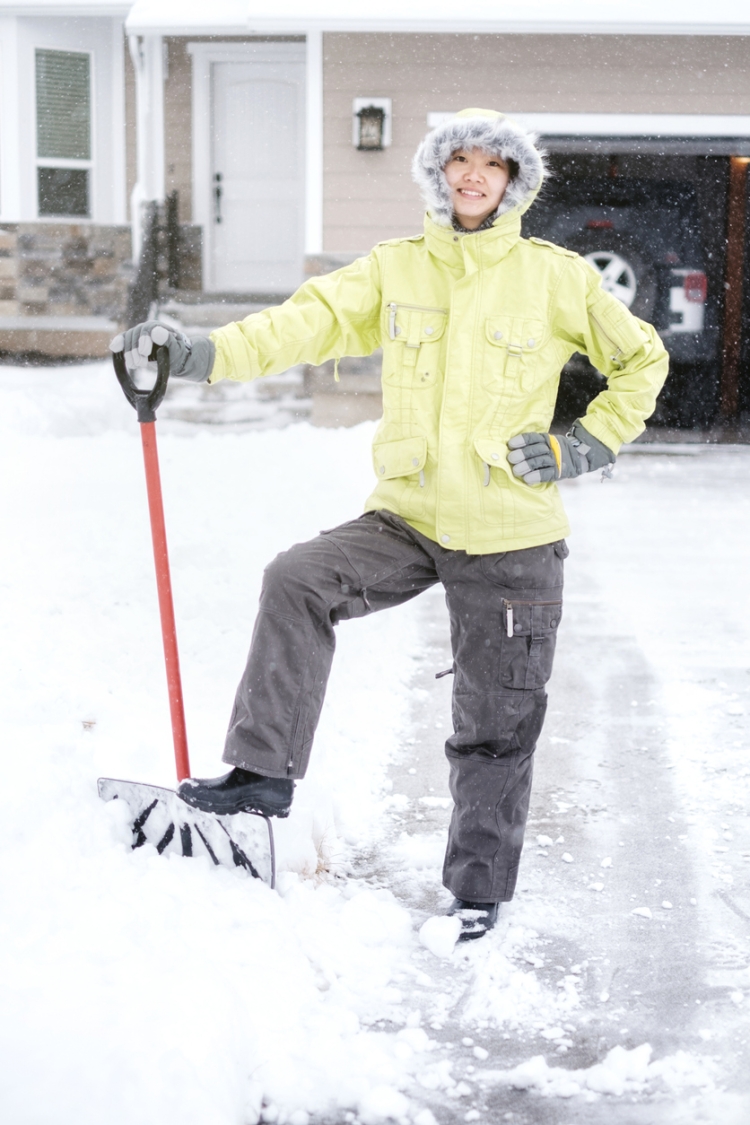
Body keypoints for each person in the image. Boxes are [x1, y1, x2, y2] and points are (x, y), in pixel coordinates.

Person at [112, 109, 668, 941]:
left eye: (492, 165)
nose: (474, 176)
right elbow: (305, 321)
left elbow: (642, 359)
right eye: (460, 162)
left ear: (515, 183)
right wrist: (203, 355)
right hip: (409, 515)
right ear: (440, 175)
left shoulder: (555, 278)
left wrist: (583, 444)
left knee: (493, 723)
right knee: (297, 578)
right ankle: (262, 773)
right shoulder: (398, 270)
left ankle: (478, 889)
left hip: (511, 530)